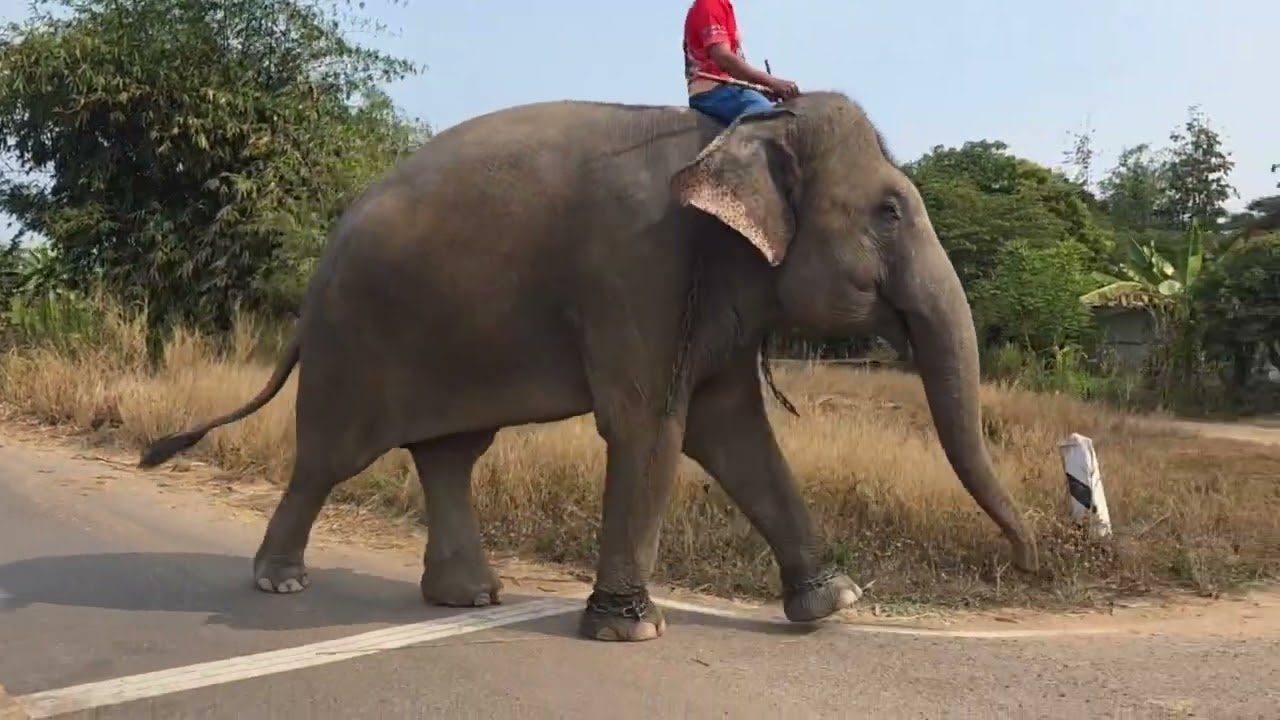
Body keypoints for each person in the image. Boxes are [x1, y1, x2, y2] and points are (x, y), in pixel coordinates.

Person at [683, 0, 800, 126]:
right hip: (713, 92)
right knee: (762, 113)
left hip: (727, 89)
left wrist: (763, 89)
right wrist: (772, 82)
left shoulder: (722, 5)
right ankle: (728, 146)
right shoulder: (710, 4)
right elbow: (724, 59)